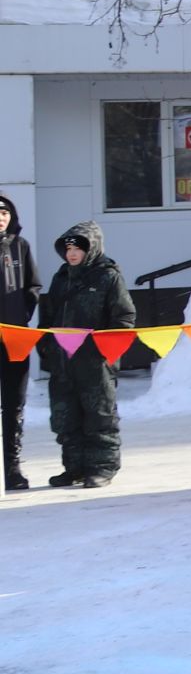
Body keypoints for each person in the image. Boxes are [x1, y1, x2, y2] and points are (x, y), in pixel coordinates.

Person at [37, 219, 131, 489]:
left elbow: (124, 317)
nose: (72, 254)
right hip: (63, 361)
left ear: (92, 248)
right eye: (68, 249)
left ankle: (102, 468)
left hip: (95, 362)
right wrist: (47, 347)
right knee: (65, 416)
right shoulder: (61, 277)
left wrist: (104, 349)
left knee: (99, 415)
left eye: (78, 248)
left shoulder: (108, 276)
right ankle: (74, 468)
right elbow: (49, 316)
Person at [0, 195, 38, 491]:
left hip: (15, 337)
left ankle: (13, 470)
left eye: (5, 212)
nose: (1, 217)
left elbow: (33, 286)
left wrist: (22, 316)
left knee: (14, 404)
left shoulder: (20, 246)